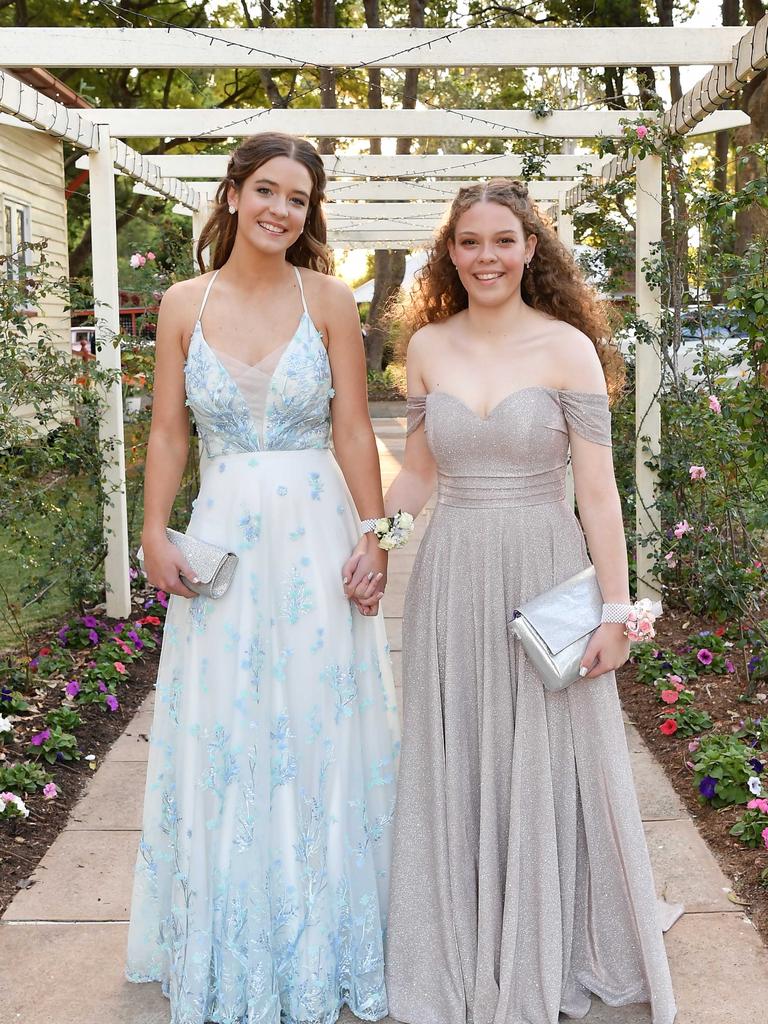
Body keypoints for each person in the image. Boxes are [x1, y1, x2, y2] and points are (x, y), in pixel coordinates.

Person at [383, 179, 677, 1024]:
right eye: (470, 242)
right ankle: (466, 938)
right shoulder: (428, 347)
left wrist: (617, 614)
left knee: (550, 756)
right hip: (451, 575)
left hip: (546, 571)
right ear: (450, 253)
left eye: (503, 241)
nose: (486, 257)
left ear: (531, 248)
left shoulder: (568, 349)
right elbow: (418, 473)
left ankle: (546, 942)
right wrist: (378, 540)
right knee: (462, 747)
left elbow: (600, 494)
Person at [126, 132, 400, 1024]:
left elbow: (355, 429)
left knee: (320, 723)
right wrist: (153, 531)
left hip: (317, 535)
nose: (283, 210)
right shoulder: (180, 303)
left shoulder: (328, 298)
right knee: (225, 725)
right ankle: (230, 929)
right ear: (235, 193)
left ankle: (327, 928)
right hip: (224, 534)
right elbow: (170, 433)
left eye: (300, 198)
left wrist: (378, 537)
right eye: (269, 191)